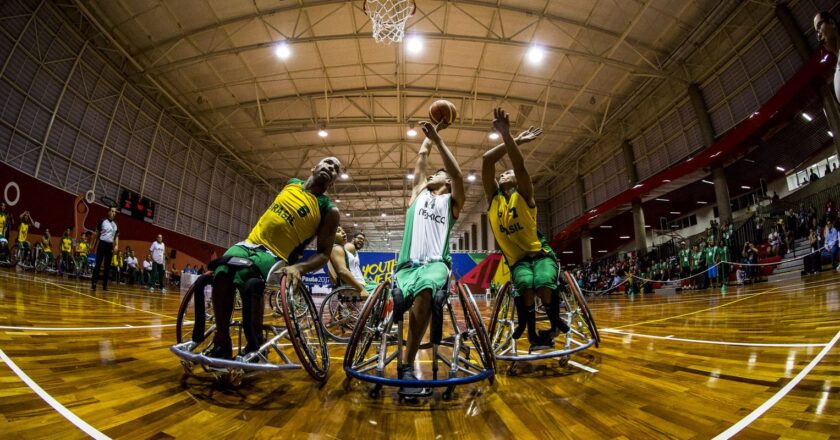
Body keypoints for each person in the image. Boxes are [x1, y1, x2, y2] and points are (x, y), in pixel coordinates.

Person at [207, 156, 341, 359]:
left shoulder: (329, 210)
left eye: (336, 169)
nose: (331, 167)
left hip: (275, 254)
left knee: (248, 278)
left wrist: (299, 268)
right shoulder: (292, 184)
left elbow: (324, 254)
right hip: (248, 243)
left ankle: (257, 342)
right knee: (222, 271)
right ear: (314, 167)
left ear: (334, 180)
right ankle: (222, 340)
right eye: (328, 162)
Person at [482, 108, 568, 349]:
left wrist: (508, 137)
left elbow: (519, 166)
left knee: (541, 281)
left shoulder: (524, 194)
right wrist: (515, 138)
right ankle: (530, 331)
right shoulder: (494, 200)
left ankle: (553, 322)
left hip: (540, 254)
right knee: (524, 285)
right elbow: (487, 160)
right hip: (518, 261)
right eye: (502, 174)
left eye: (508, 171)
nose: (504, 173)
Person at [393, 119, 464, 396]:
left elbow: (457, 177)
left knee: (425, 290)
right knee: (414, 289)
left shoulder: (452, 203)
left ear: (445, 181)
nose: (431, 175)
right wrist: (429, 137)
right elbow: (422, 158)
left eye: (439, 174)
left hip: (436, 265)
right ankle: (403, 297)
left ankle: (406, 365)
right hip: (407, 265)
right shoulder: (418, 193)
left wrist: (439, 140)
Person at [327, 226, 373, 297]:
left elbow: (350, 268)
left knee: (382, 287)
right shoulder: (346, 247)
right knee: (385, 290)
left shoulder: (342, 248)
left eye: (363, 240)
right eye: (359, 238)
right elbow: (343, 271)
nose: (343, 233)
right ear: (353, 239)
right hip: (354, 286)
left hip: (356, 283)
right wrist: (361, 289)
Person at [91, 207, 119, 291]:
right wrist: (92, 244)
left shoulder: (116, 224)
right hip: (102, 244)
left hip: (110, 246)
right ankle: (94, 283)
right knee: (98, 264)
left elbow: (116, 236)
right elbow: (97, 233)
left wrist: (116, 245)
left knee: (107, 266)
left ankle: (105, 285)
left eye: (115, 212)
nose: (114, 213)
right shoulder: (102, 221)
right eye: (112, 211)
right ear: (109, 212)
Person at [814, 11, 840, 102]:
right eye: (816, 33)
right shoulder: (837, 74)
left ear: (832, 23)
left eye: (819, 26)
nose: (819, 35)